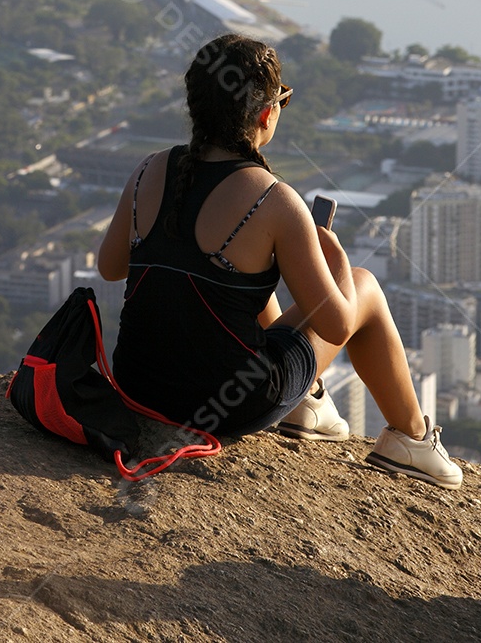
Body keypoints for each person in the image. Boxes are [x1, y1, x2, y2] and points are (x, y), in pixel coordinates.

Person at [97, 32, 462, 489]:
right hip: (228, 406)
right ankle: (411, 440)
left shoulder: (149, 169)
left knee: (240, 281)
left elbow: (110, 268)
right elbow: (338, 325)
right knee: (365, 287)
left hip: (139, 388)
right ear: (267, 113)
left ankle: (307, 401)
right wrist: (337, 261)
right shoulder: (274, 201)